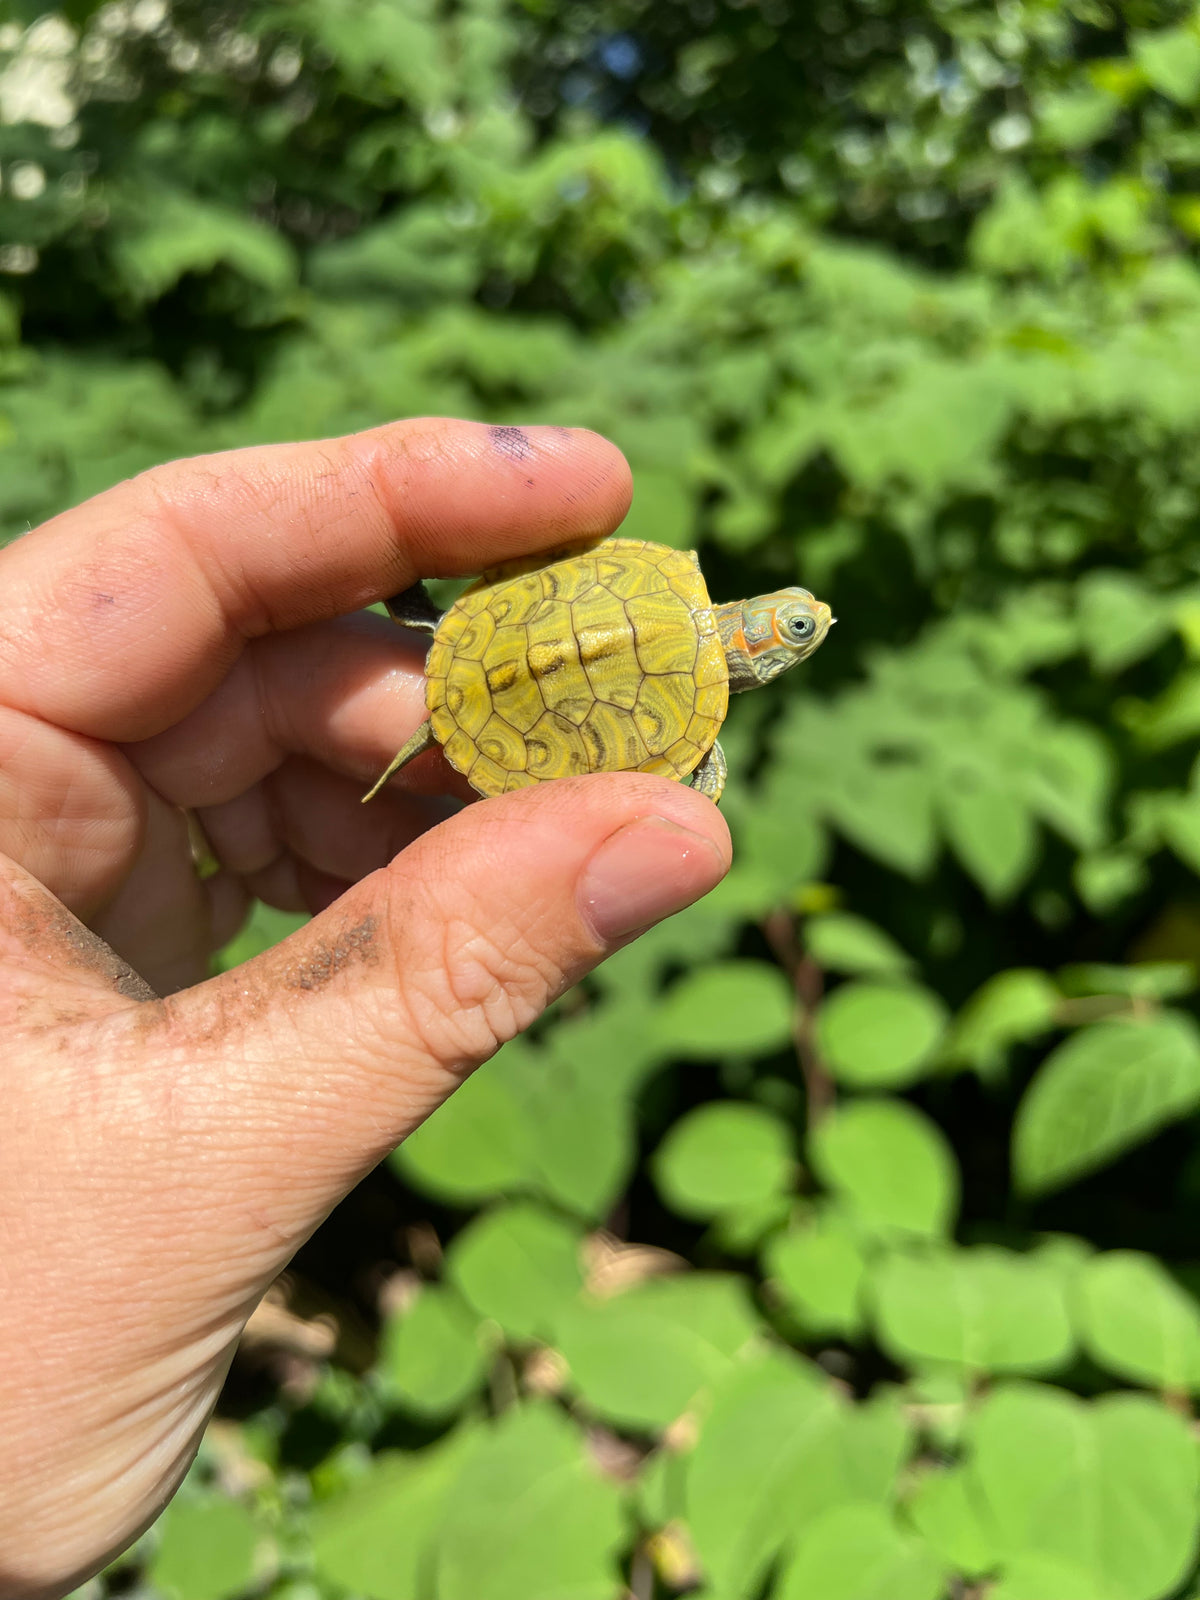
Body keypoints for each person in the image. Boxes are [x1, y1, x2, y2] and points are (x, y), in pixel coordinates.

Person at [0, 418, 731, 1598]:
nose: (787, 636)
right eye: (789, 626)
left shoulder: (661, 601)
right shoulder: (689, 697)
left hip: (508, 643)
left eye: (791, 628)